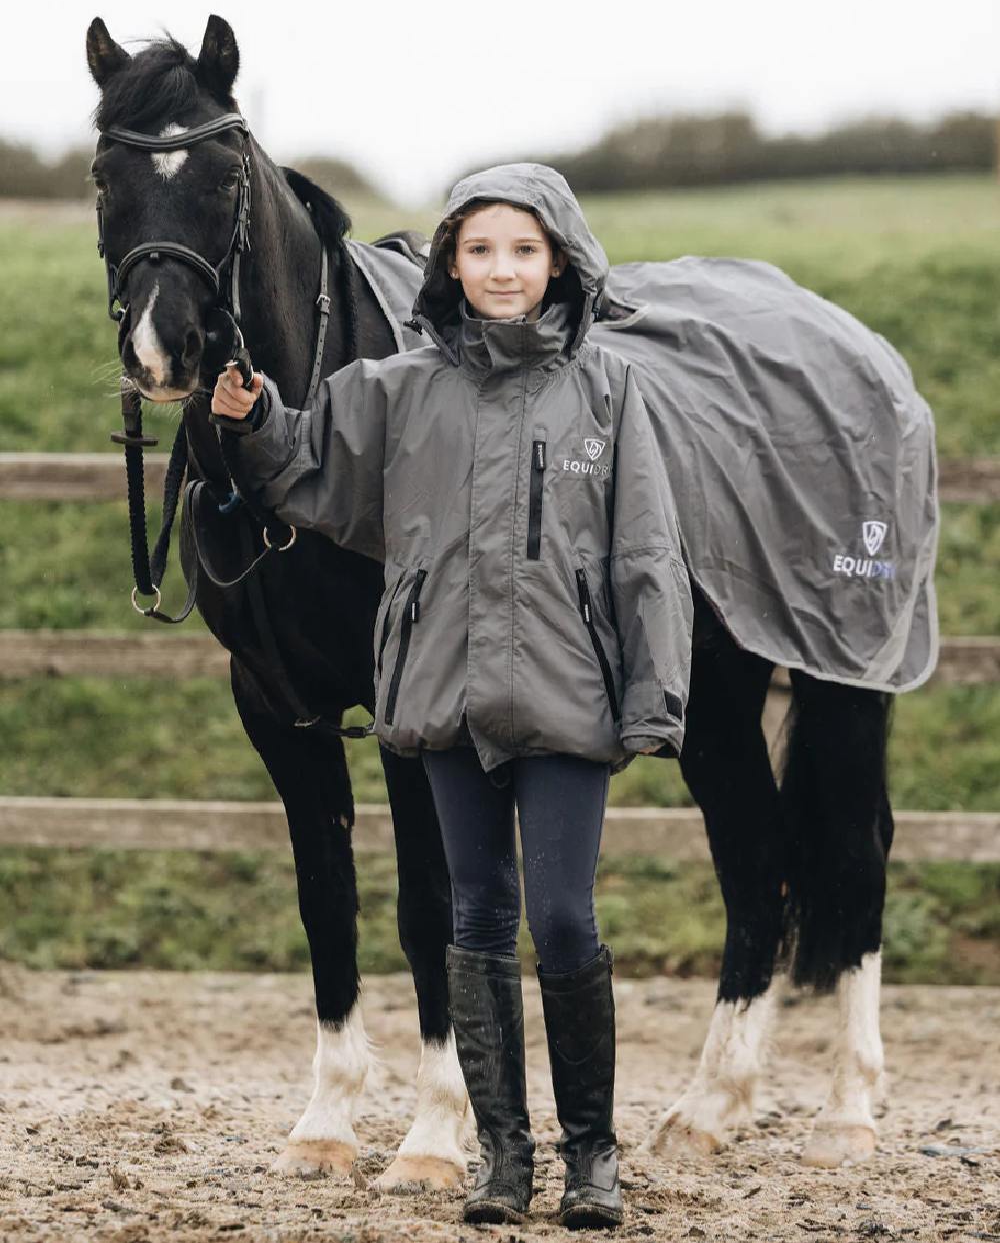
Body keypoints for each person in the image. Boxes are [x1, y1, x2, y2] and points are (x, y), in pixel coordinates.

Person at [211, 162, 693, 1230]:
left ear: (557, 259)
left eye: (522, 249)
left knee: (563, 919)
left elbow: (647, 554)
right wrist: (251, 421)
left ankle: (592, 1156)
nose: (502, 269)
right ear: (450, 265)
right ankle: (503, 1157)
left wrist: (654, 694)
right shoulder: (401, 384)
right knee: (475, 918)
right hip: (437, 689)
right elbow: (308, 468)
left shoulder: (612, 391)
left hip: (567, 697)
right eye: (479, 250)